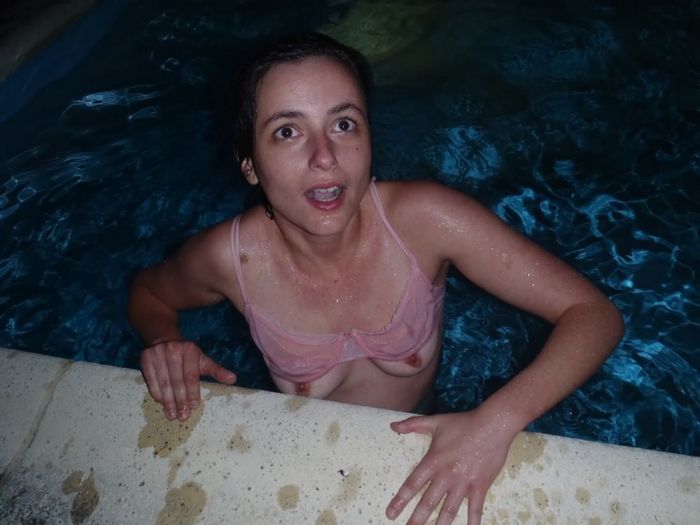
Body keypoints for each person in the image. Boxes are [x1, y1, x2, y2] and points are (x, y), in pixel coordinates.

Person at [128, 32, 624, 525]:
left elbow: (593, 315)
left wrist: (496, 421)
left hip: (429, 436)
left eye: (344, 124)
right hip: (312, 462)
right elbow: (149, 293)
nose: (325, 157)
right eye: (287, 131)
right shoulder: (231, 259)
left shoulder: (426, 221)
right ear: (249, 165)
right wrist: (165, 341)